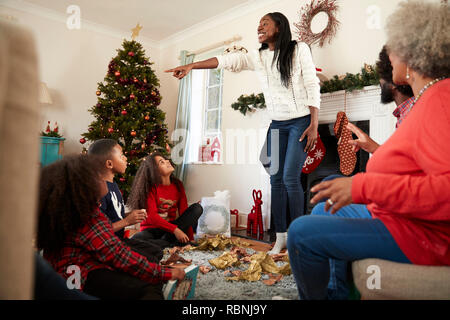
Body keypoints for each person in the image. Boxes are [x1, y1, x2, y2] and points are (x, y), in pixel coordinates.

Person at [287, 0, 450, 300]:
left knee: (300, 234)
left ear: (414, 52)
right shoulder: (429, 98)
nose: (389, 55)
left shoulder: (440, 99)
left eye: (394, 47)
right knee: (326, 204)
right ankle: (337, 293)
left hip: (419, 234)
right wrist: (372, 157)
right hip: (399, 216)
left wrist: (362, 186)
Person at [166, 12, 321, 254]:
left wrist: (314, 122)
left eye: (265, 23)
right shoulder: (259, 56)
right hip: (278, 123)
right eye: (258, 24)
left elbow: (312, 83)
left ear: (279, 27)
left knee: (291, 178)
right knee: (275, 179)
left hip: (300, 121)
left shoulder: (298, 49)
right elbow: (228, 61)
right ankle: (280, 237)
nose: (259, 27)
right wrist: (192, 65)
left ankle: (298, 237)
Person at [37, 155, 185, 299]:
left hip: (75, 272)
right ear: (85, 185)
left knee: (141, 265)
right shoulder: (88, 217)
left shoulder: (69, 211)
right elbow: (118, 255)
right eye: (100, 177)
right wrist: (163, 273)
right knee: (149, 287)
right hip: (80, 279)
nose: (105, 181)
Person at [88, 139, 164, 263]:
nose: (126, 158)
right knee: (150, 259)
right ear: (109, 164)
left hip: (120, 240)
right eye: (121, 155)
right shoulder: (100, 191)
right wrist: (127, 221)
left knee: (157, 252)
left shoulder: (114, 185)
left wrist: (131, 215)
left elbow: (113, 215)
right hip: (107, 246)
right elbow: (97, 233)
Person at [348, 45, 414, 154]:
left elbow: (405, 164)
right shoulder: (406, 112)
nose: (380, 82)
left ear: (393, 83)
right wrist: (373, 147)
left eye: (381, 77)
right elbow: (403, 159)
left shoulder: (410, 114)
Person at [127, 152, 203, 246]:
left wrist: (190, 239)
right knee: (136, 239)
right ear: (155, 170)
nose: (167, 161)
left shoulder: (178, 185)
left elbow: (184, 213)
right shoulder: (150, 187)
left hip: (170, 230)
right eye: (161, 162)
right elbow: (153, 218)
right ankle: (169, 243)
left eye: (165, 159)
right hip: (151, 230)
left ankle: (165, 243)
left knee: (197, 208)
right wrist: (176, 230)